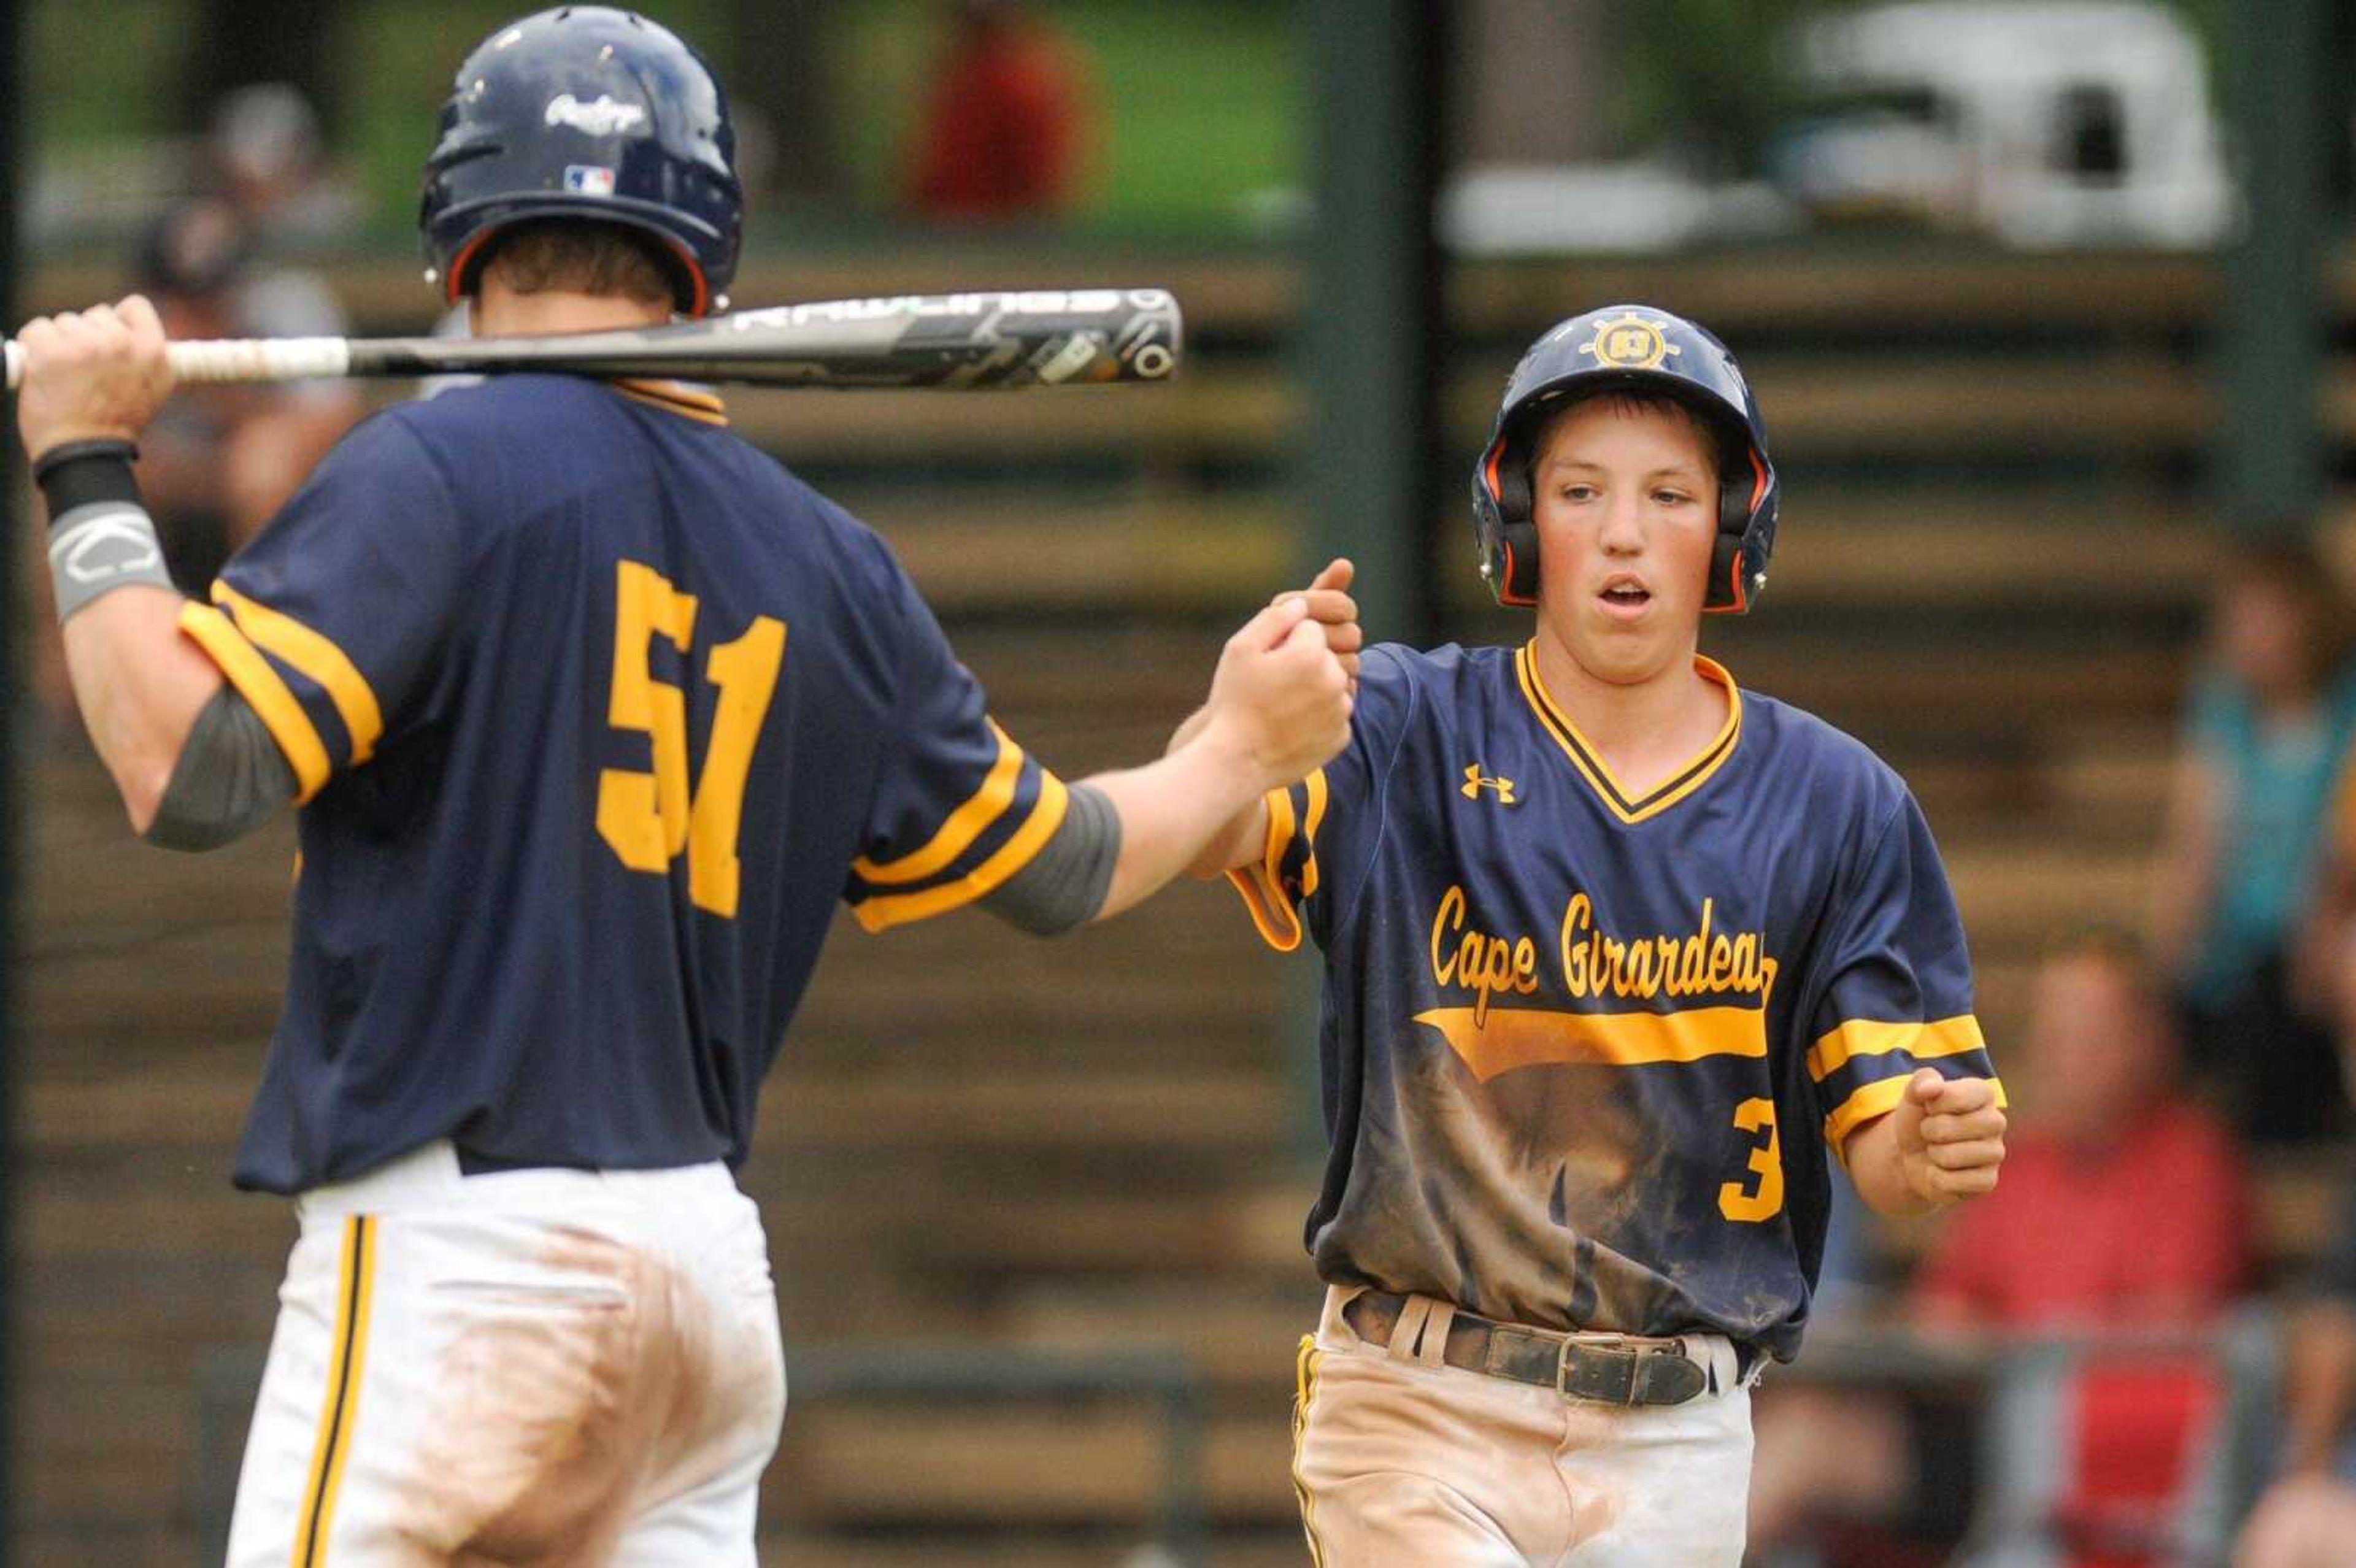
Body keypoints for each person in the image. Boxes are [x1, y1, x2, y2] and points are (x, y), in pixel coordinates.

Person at [12, 9, 1355, 1564]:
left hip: (462, 1259)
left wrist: (83, 463)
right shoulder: (829, 562)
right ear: (704, 260)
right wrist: (1230, 753)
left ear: (459, 239)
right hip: (704, 1284)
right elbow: (1061, 863)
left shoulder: (430, 474)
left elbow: (180, 761)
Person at [1187, 304, 2009, 1564]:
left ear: (1734, 528)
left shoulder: (1839, 802)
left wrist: (1930, 1144)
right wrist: (1243, 721)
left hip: (1675, 1434)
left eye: (1672, 495)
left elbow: (1891, 1156)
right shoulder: (1406, 724)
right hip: (1421, 1404)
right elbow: (1216, 821)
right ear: (1520, 521)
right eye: (1580, 491)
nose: (1625, 531)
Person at [1747, 930, 2249, 1564]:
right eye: (2052, 1032)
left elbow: (2168, 1340)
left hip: (2090, 1465)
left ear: (2150, 1044)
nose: (2060, 1056)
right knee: (1799, 1436)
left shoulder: (2192, 1163)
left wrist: (2009, 1341)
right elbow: (1945, 1316)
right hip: (1979, 1435)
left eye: (2088, 1035)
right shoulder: (2019, 1162)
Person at [2148, 539, 2356, 1144]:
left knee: (2294, 1001)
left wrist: (2320, 925)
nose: (2247, 636)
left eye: (2263, 618)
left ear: (2308, 618)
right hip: (2235, 949)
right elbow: (2195, 844)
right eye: (2238, 620)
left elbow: (2342, 847)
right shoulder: (2224, 709)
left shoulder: (2347, 707)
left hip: (2315, 942)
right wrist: (2161, 967)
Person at [906, 0, 1093, 223]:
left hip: (987, 236)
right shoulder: (964, 71)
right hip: (940, 229)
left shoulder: (1025, 79)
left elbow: (1040, 194)